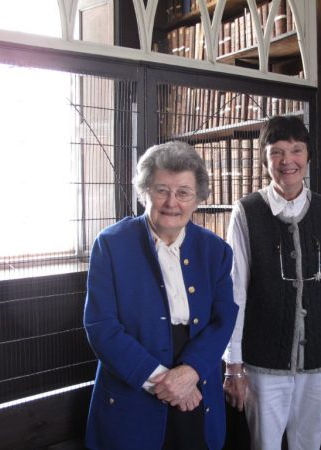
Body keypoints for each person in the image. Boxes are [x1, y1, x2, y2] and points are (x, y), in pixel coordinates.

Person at [84, 141, 238, 450]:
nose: (172, 202)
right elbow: (101, 326)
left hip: (197, 381)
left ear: (198, 199)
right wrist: (164, 381)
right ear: (144, 192)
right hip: (133, 383)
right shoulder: (111, 245)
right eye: (161, 190)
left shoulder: (216, 250)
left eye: (183, 192)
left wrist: (191, 372)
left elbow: (224, 319)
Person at [223, 116, 321, 450]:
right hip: (263, 359)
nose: (287, 161)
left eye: (296, 150)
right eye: (277, 152)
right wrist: (233, 365)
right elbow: (234, 293)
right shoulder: (247, 211)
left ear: (308, 156)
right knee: (264, 444)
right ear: (265, 159)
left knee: (309, 442)